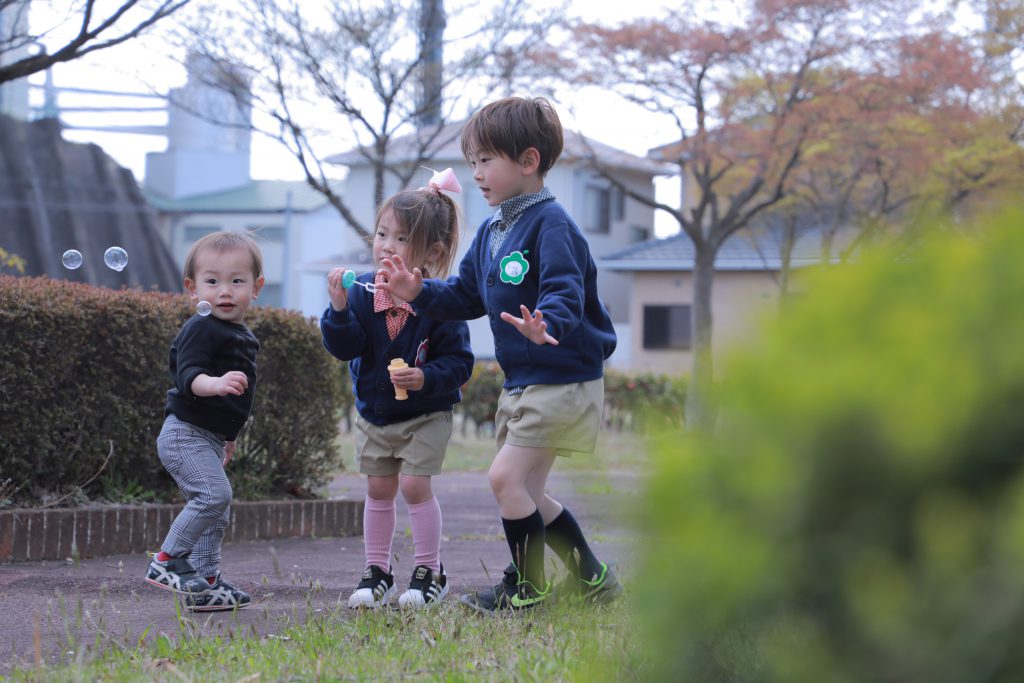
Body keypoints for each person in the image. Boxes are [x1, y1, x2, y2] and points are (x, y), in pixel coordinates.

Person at [378, 97, 623, 613]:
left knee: (505, 479)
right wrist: (415, 290)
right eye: (472, 163)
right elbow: (464, 298)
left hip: (563, 379)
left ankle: (527, 588)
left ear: (528, 161)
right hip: (527, 381)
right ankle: (593, 579)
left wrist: (545, 325)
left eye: (486, 161)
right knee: (528, 492)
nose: (477, 174)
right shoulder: (493, 231)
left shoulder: (551, 224)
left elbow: (564, 291)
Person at [321, 169, 473, 609]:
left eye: (401, 239)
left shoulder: (441, 301)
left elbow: (460, 364)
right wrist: (337, 309)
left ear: (433, 251)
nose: (386, 245)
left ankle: (430, 570)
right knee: (379, 489)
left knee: (414, 486)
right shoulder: (363, 292)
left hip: (426, 414)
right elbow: (344, 346)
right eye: (382, 233)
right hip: (375, 413)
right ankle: (377, 570)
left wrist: (425, 378)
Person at [144, 231, 264, 612]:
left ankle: (206, 581)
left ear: (256, 287)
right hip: (183, 434)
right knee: (214, 495)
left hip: (208, 437)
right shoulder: (201, 326)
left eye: (237, 281)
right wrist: (214, 384)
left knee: (218, 510)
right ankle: (168, 560)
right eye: (212, 281)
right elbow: (188, 374)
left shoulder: (239, 334)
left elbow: (232, 406)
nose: (224, 291)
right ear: (192, 290)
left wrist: (228, 437)